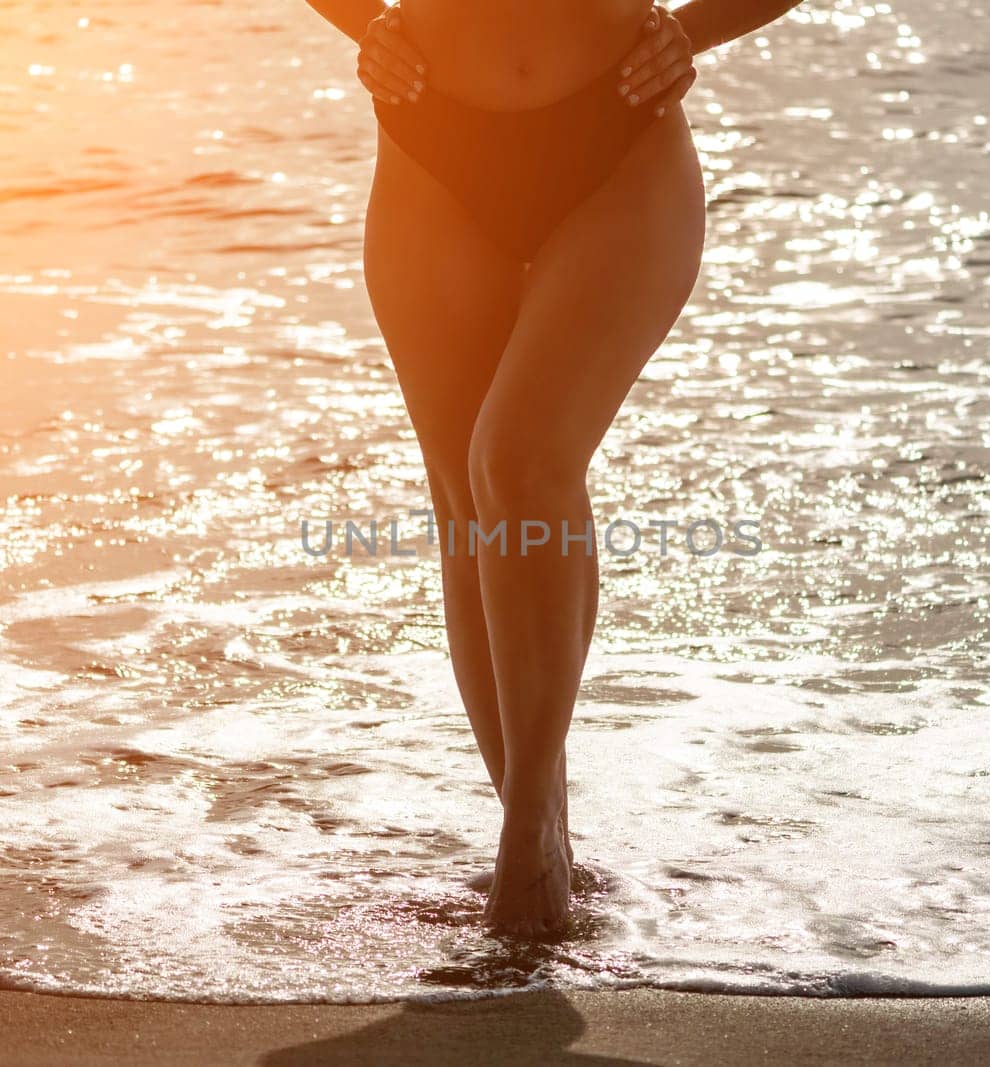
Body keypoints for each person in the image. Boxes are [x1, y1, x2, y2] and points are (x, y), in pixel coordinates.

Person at [300, 0, 804, 937]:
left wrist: (691, 30)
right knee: (467, 502)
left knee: (520, 460)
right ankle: (542, 842)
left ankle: (526, 833)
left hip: (618, 127)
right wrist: (365, 21)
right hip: (429, 137)